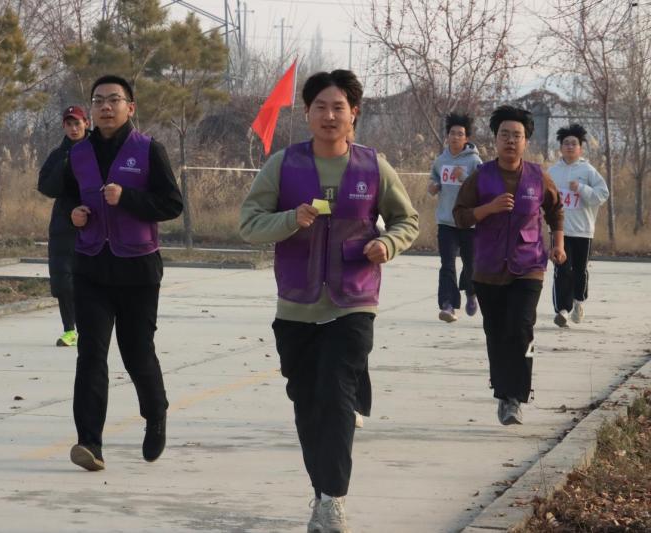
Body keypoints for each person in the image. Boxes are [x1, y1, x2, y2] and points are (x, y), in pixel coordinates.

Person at [240, 69, 419, 533]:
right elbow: (249, 223)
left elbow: (408, 221)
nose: (329, 115)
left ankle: (333, 500)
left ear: (354, 113)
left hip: (353, 301)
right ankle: (322, 492)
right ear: (306, 113)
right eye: (320, 106)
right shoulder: (283, 165)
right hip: (296, 305)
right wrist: (289, 220)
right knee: (307, 403)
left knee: (337, 396)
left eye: (339, 107)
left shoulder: (373, 167)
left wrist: (387, 244)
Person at [49, 75, 183, 471]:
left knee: (137, 352)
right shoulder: (78, 153)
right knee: (91, 354)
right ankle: (90, 443)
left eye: (114, 100)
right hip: (91, 265)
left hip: (138, 268)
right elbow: (67, 198)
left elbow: (171, 203)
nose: (105, 107)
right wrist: (74, 214)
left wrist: (128, 198)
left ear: (130, 107)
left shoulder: (148, 150)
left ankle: (155, 414)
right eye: (98, 101)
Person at [453, 105, 565, 426]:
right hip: (488, 269)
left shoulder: (538, 176)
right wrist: (487, 208)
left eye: (517, 135)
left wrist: (558, 244)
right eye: (505, 135)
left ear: (526, 140)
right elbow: (460, 215)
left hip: (529, 265)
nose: (511, 141)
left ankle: (516, 396)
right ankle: (503, 395)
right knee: (497, 332)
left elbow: (555, 210)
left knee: (521, 327)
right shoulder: (481, 176)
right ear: (495, 139)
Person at [38, 105, 90, 347]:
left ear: (86, 123)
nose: (73, 128)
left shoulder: (99, 150)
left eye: (77, 123)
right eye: (69, 124)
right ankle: (70, 330)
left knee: (92, 278)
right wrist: (65, 163)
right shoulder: (58, 154)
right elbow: (45, 187)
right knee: (63, 278)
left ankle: (93, 327)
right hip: (64, 221)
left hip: (94, 218)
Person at [548, 124, 609, 327]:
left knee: (580, 270)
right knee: (561, 270)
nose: (570, 146)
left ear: (580, 148)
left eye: (574, 143)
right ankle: (562, 310)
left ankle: (578, 301)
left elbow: (602, 194)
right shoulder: (552, 172)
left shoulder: (588, 171)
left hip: (583, 230)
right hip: (559, 230)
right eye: (566, 143)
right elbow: (544, 197)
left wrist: (582, 188)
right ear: (560, 147)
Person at [428, 113, 483, 322]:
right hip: (446, 221)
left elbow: (482, 188)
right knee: (447, 264)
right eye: (452, 133)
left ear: (466, 138)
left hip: (468, 222)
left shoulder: (474, 161)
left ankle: (471, 292)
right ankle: (448, 305)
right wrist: (433, 187)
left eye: (460, 134)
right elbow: (434, 179)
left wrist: (464, 178)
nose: (456, 137)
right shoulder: (441, 160)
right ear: (447, 136)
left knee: (470, 264)